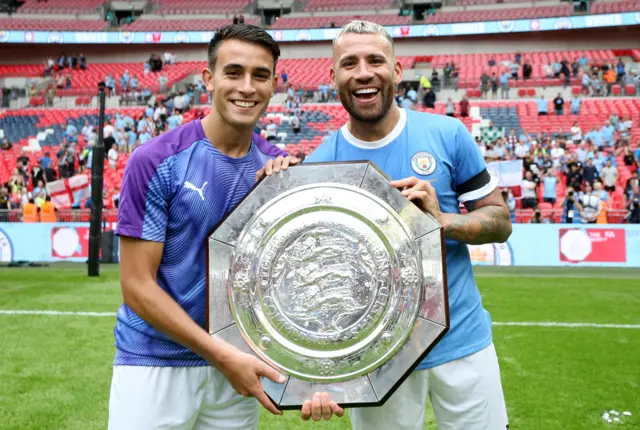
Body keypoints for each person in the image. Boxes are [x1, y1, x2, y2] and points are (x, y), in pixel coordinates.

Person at [109, 24, 342, 430]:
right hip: (156, 363)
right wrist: (221, 354)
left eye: (260, 75)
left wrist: (317, 377)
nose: (247, 87)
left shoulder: (281, 171)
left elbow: (302, 285)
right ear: (209, 79)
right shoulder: (155, 160)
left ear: (274, 85)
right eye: (233, 72)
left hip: (236, 369)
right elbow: (136, 285)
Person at [305, 21, 512, 430]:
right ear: (333, 77)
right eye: (350, 63)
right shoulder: (318, 165)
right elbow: (314, 280)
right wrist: (318, 370)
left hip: (462, 341)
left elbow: (500, 221)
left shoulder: (448, 133)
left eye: (376, 60)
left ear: (396, 71)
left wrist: (441, 221)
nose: (364, 72)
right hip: (375, 355)